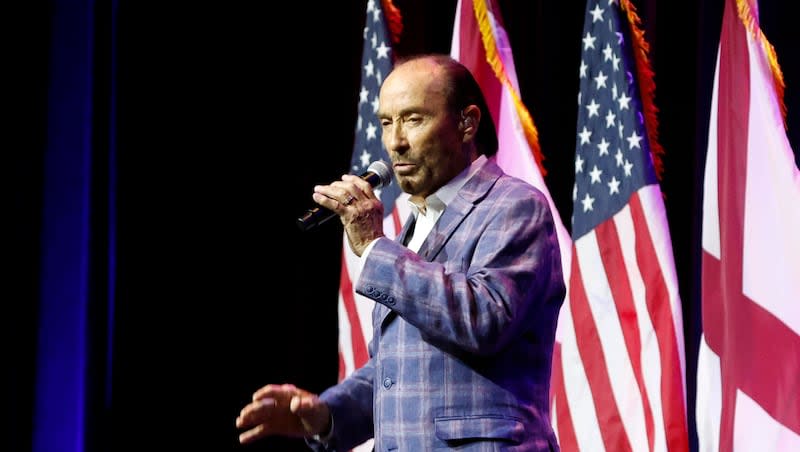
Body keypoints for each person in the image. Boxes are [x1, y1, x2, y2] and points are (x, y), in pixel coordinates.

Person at [236, 54, 565, 451]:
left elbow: (485, 318)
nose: (395, 142)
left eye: (413, 119)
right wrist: (325, 414)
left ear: (467, 123)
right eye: (386, 123)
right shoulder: (418, 223)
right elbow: (399, 367)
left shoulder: (515, 205)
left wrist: (375, 247)